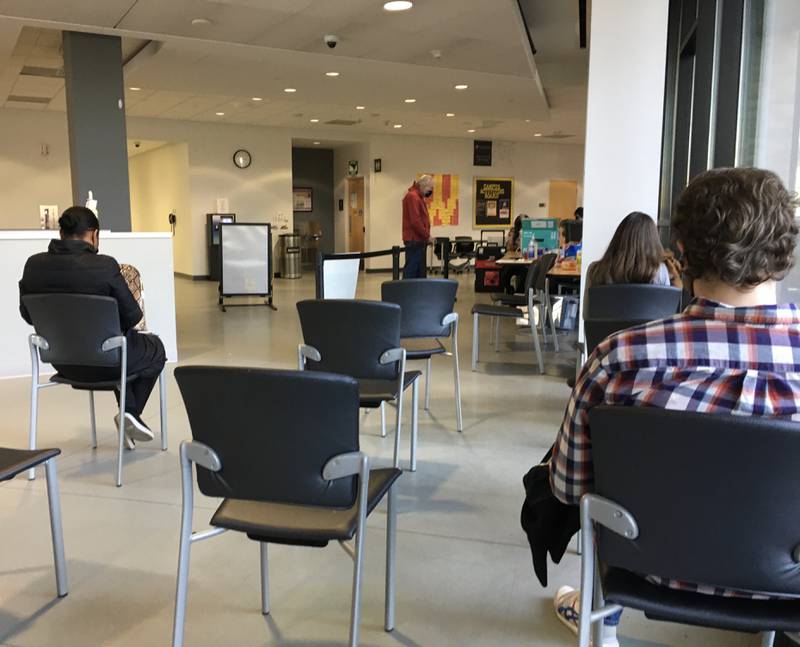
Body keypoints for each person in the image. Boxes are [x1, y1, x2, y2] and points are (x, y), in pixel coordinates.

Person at [550, 168, 800, 646]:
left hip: (648, 572)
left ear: (681, 255)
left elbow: (567, 488)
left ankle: (598, 619)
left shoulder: (617, 359)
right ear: (785, 255)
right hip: (786, 584)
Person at [19, 206, 166, 449]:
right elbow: (133, 316)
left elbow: (27, 314)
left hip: (62, 363)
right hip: (108, 364)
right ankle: (129, 413)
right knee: (153, 349)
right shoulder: (104, 266)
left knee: (123, 346)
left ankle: (129, 413)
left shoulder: (33, 265)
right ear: (93, 234)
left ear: (62, 233)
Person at [402, 175, 433, 279]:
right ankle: (406, 294)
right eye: (430, 188)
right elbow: (415, 221)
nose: (431, 191)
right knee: (412, 272)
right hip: (414, 241)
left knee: (419, 273)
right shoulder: (413, 197)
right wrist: (427, 236)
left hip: (419, 241)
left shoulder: (418, 197)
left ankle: (417, 294)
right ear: (423, 185)